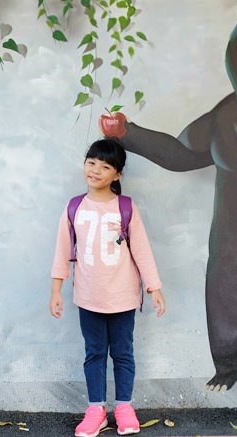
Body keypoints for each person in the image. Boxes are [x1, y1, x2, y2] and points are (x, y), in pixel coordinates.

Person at [49, 138, 166, 437]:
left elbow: (142, 251)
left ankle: (124, 407)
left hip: (123, 298)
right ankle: (96, 410)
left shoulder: (125, 208)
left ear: (117, 175)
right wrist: (56, 291)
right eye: (91, 162)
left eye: (105, 166)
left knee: (124, 353)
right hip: (88, 298)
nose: (96, 170)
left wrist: (154, 288)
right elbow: (62, 250)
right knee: (94, 353)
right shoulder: (75, 207)